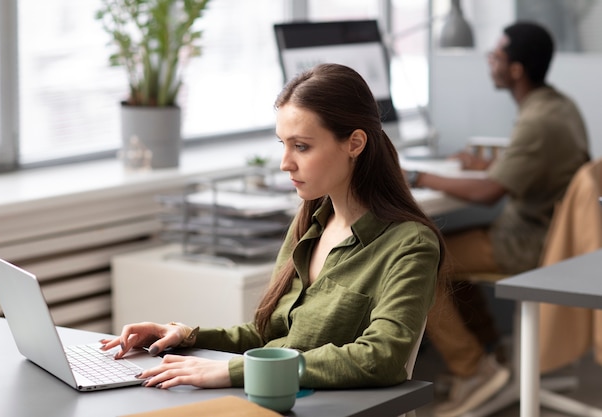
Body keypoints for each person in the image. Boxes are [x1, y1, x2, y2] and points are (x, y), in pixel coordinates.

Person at [100, 63, 447, 390]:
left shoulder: (410, 244)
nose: (285, 163)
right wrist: (188, 336)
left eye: (301, 146)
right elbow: (268, 337)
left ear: (354, 143)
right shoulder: (309, 225)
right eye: (283, 144)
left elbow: (381, 357)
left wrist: (238, 372)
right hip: (276, 396)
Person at [405, 21, 590, 417]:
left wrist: (417, 176)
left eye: (495, 56)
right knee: (443, 246)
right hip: (548, 232)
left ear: (516, 69)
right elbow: (533, 164)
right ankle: (491, 353)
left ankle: (473, 370)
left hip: (528, 241)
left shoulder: (537, 121)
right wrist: (485, 164)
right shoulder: (558, 105)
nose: (489, 63)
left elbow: (490, 194)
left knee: (423, 262)